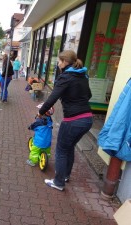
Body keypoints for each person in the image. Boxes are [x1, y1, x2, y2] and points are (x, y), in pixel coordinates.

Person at [37, 50, 93, 191]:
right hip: (87, 119)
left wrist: (41, 112)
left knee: (61, 150)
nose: (58, 63)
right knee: (69, 147)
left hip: (73, 120)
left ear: (66, 62)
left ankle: (59, 182)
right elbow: (89, 95)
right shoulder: (82, 75)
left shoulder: (66, 77)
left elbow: (52, 97)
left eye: (60, 61)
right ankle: (65, 175)